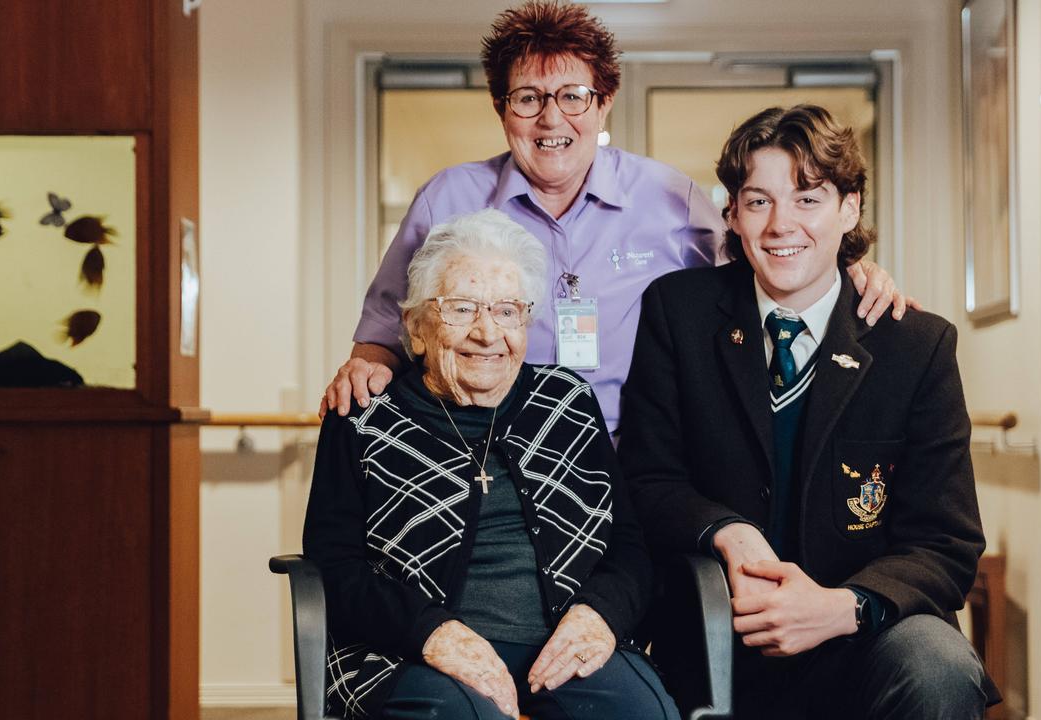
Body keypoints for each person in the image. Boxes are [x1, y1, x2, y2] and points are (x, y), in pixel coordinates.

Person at [320, 0, 910, 430]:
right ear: (502, 108)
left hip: (635, 464)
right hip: (482, 452)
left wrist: (852, 269)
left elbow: (771, 262)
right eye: (529, 98)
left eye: (573, 96)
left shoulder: (670, 199)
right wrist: (364, 368)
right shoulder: (444, 201)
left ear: (604, 103)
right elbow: (382, 335)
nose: (552, 120)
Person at [620, 105, 996, 719]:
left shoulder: (916, 345)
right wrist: (725, 532)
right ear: (734, 216)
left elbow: (944, 542)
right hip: (722, 632)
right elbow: (646, 479)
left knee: (943, 665)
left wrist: (839, 607)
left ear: (850, 208)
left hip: (865, 636)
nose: (780, 225)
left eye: (808, 199)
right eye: (758, 201)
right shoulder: (677, 314)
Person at [304, 209, 678, 720]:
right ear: (415, 329)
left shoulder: (566, 400)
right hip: (408, 652)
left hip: (563, 643)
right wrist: (431, 633)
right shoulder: (363, 417)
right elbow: (334, 565)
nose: (487, 333)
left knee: (637, 712)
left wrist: (599, 615)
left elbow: (628, 542)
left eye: (507, 311)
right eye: (460, 309)